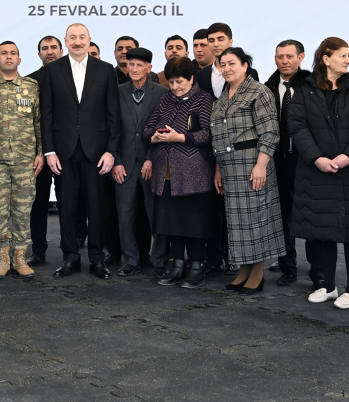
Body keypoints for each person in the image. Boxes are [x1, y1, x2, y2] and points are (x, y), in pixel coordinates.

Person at [288, 37, 349, 308]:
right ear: (326, 59)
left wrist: (348, 156)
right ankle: (328, 286)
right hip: (315, 171)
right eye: (343, 55)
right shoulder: (304, 88)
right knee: (322, 231)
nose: (348, 60)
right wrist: (316, 158)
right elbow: (297, 125)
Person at [40, 23, 121, 279]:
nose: (77, 41)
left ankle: (97, 259)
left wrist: (111, 151)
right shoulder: (52, 70)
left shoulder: (105, 69)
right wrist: (49, 151)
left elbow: (113, 115)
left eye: (82, 37)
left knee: (97, 208)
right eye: (72, 37)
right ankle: (70, 258)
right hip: (62, 152)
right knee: (66, 208)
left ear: (89, 40)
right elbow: (46, 114)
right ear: (65, 41)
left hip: (96, 152)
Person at [211, 48, 286, 293]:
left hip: (253, 163)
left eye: (232, 63)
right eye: (223, 64)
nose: (227, 68)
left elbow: (270, 132)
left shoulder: (258, 91)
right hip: (229, 166)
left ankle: (257, 273)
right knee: (238, 222)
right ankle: (244, 270)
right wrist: (218, 168)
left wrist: (261, 165)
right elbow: (218, 136)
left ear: (245, 66)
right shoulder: (222, 96)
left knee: (256, 219)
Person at [142, 57, 215, 288]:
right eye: (171, 82)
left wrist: (180, 137)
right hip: (165, 174)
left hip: (194, 173)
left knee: (194, 223)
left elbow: (208, 134)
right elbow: (147, 129)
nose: (174, 87)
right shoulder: (165, 99)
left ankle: (196, 267)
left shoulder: (203, 99)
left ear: (191, 78)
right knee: (171, 222)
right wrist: (154, 136)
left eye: (179, 82)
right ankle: (177, 265)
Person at [0, 42, 41, 278]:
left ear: (19, 60)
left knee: (23, 209)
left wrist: (41, 153)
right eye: (3, 53)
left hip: (25, 159)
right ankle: (2, 257)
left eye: (13, 53)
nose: (8, 57)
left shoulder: (31, 86)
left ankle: (20, 256)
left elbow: (38, 122)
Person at [111, 47, 162, 275]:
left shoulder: (161, 93)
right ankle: (130, 260)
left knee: (156, 216)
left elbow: (163, 128)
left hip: (152, 163)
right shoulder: (116, 91)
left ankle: (160, 260)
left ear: (149, 68)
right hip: (124, 164)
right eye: (130, 64)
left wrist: (151, 158)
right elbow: (111, 128)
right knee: (125, 215)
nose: (133, 68)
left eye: (139, 65)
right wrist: (116, 160)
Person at [264, 41, 308, 286]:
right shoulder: (267, 88)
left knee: (309, 214)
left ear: (301, 57)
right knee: (281, 217)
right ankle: (287, 267)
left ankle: (319, 271)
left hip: (307, 160)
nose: (284, 61)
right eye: (280, 56)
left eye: (289, 56)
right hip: (278, 160)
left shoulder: (312, 86)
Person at [27, 34, 63, 265]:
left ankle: (71, 246)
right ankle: (38, 249)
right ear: (39, 53)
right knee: (38, 203)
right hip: (38, 152)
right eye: (45, 48)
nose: (49, 51)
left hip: (65, 151)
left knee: (68, 202)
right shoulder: (30, 81)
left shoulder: (71, 77)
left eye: (53, 47)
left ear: (61, 51)